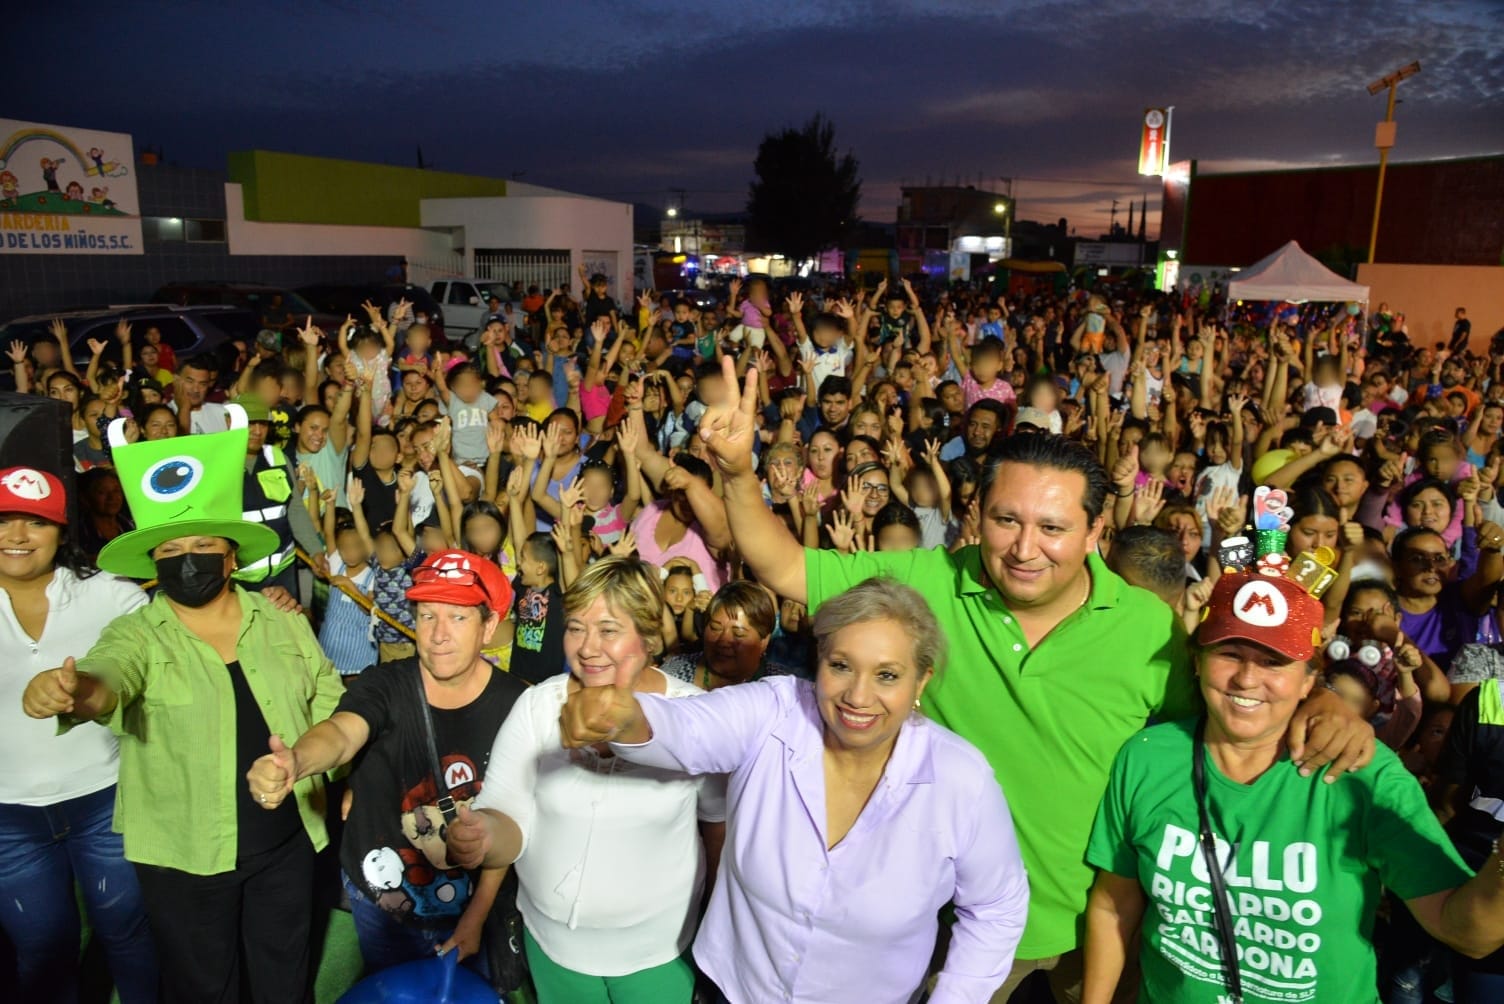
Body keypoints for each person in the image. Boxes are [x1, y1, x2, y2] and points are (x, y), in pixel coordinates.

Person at [691, 356, 1371, 1001]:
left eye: (1051, 526)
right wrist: (739, 475)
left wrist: (1325, 705)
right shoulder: (927, 584)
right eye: (1006, 519)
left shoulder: (1148, 628)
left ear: (1096, 530)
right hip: (944, 927)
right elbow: (783, 568)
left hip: (1092, 935)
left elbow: (1230, 726)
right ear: (975, 514)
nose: (1023, 547)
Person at [560, 577, 1030, 1003]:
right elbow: (686, 729)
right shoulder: (774, 709)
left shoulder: (960, 780)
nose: (859, 697)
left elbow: (997, 907)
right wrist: (626, 717)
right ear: (818, 661)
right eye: (841, 666)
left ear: (921, 680)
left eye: (887, 675)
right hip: (734, 990)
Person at [20, 410, 345, 1003]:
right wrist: (77, 691)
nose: (189, 559)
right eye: (172, 548)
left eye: (204, 545)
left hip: (288, 847)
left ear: (230, 556)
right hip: (184, 856)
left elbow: (329, 695)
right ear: (153, 562)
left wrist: (323, 761)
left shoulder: (280, 619)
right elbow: (110, 674)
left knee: (284, 982)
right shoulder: (139, 632)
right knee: (204, 989)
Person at [1082, 570, 1504, 1003]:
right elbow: (1114, 903)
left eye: (1273, 661)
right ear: (1197, 661)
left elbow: (1468, 934)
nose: (1246, 679)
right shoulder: (1148, 757)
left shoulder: (1361, 774)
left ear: (1309, 680)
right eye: (1229, 653)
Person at [445, 557, 726, 1003]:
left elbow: (717, 826)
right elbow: (507, 815)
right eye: (576, 627)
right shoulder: (537, 707)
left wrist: (717, 920)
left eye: (609, 630)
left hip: (660, 950)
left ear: (649, 636)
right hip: (553, 947)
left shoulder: (696, 717)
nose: (587, 647)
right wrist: (483, 838)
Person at [245, 550, 527, 976]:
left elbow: (514, 818)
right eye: (427, 616)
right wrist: (298, 761)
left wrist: (476, 917)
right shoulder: (384, 684)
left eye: (458, 617)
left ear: (489, 625)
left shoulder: (518, 706)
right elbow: (341, 733)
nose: (438, 635)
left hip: (470, 906)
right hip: (380, 898)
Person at [0, 467, 158, 1004]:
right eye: (3, 521)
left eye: (34, 523)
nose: (16, 536)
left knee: (129, 934)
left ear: (62, 532)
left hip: (106, 801)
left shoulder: (109, 594)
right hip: (8, 815)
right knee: (42, 947)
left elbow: (171, 651)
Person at [660, 579, 800, 688]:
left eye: (738, 633)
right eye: (715, 628)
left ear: (764, 641)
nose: (723, 640)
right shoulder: (673, 674)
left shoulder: (783, 686)